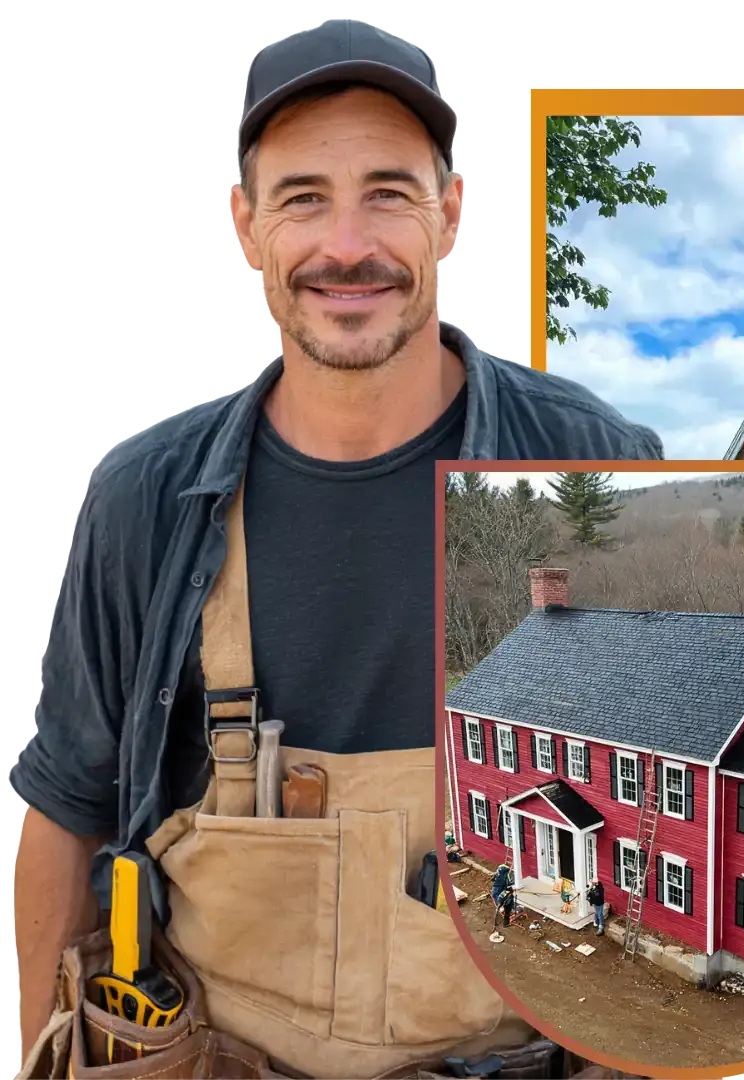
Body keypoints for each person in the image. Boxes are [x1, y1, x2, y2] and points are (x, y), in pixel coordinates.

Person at [11, 18, 660, 1080]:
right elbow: (69, 807)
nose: (346, 245)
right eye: (303, 196)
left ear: (449, 216)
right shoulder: (147, 496)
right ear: (244, 225)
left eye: (390, 193)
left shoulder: (592, 465)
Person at [492, 864, 516, 930]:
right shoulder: (507, 875)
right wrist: (512, 889)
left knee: (499, 902)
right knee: (508, 903)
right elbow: (509, 887)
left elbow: (493, 879)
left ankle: (500, 907)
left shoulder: (498, 872)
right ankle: (506, 923)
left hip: (495, 891)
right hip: (501, 892)